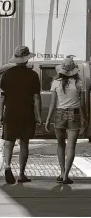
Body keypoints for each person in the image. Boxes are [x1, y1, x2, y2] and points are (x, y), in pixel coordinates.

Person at [0, 46, 42, 184]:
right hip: (26, 112)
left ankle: (7, 166)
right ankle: (22, 174)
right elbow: (36, 98)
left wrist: (1, 114)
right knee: (24, 143)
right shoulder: (33, 75)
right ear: (27, 58)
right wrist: (39, 115)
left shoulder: (6, 75)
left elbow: (2, 97)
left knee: (8, 142)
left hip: (10, 112)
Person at [45, 56, 87, 184]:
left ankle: (62, 172)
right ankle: (66, 175)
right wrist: (85, 118)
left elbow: (52, 102)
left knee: (60, 145)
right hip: (74, 114)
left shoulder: (56, 82)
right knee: (71, 146)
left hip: (59, 113)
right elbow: (83, 104)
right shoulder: (79, 83)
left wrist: (47, 119)